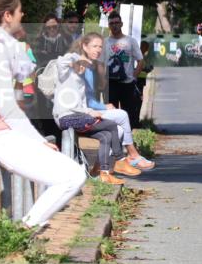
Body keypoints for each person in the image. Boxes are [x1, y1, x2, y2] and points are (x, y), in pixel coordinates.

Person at [0, 0, 86, 233]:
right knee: (72, 176)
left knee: (65, 174)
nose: (23, 14)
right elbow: (8, 110)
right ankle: (22, 233)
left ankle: (22, 231)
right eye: (18, 11)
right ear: (7, 16)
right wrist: (37, 141)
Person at [52, 34, 141, 185]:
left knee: (107, 135)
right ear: (84, 47)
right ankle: (120, 160)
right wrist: (76, 60)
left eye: (100, 46)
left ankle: (104, 173)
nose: (98, 49)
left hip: (79, 115)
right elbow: (61, 62)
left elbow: (81, 103)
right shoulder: (68, 67)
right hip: (66, 116)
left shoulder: (83, 75)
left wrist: (89, 111)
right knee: (112, 125)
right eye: (95, 46)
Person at [102, 11, 144, 129]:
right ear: (108, 26)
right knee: (111, 116)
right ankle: (114, 141)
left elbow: (141, 60)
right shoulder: (105, 42)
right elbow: (99, 63)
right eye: (112, 23)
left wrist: (134, 76)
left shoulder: (130, 41)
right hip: (110, 84)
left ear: (121, 24)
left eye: (117, 22)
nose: (114, 25)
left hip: (127, 84)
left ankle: (127, 140)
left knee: (128, 114)